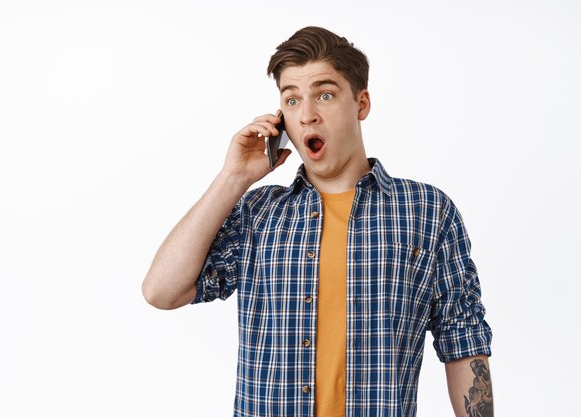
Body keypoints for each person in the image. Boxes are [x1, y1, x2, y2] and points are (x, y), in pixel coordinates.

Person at [142, 26, 493, 417]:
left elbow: (463, 339)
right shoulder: (259, 213)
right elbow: (161, 291)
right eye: (291, 101)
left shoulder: (427, 212)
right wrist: (234, 178)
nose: (307, 115)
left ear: (361, 104)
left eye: (325, 95)